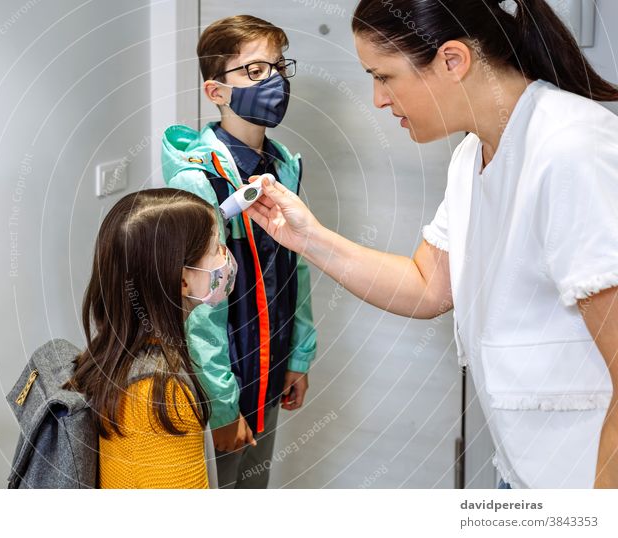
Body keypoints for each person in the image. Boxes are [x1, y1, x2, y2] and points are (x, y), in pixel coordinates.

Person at [246, 0, 618, 489]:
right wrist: (307, 237)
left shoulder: (572, 149)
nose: (377, 99)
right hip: (525, 472)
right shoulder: (472, 155)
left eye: (384, 76)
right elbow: (428, 286)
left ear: (452, 60)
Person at [161, 14, 318, 488]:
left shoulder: (283, 166)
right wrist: (224, 407)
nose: (272, 82)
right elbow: (196, 308)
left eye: (277, 68)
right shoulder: (199, 180)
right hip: (221, 381)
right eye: (253, 72)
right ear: (216, 92)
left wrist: (299, 354)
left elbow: (297, 265)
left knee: (253, 491)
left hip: (272, 366)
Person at [64, 188, 238, 488]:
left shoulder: (111, 353)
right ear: (182, 279)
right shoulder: (163, 400)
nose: (225, 255)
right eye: (215, 248)